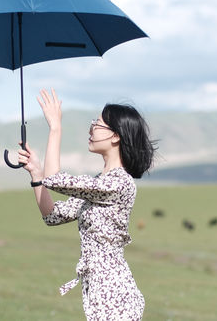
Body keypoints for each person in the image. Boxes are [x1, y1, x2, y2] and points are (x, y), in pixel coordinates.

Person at [18, 88, 157, 321]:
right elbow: (52, 215)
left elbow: (55, 180)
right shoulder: (99, 184)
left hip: (115, 297)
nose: (91, 127)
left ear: (116, 136)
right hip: (100, 294)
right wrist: (36, 172)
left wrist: (55, 128)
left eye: (98, 123)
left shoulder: (119, 183)